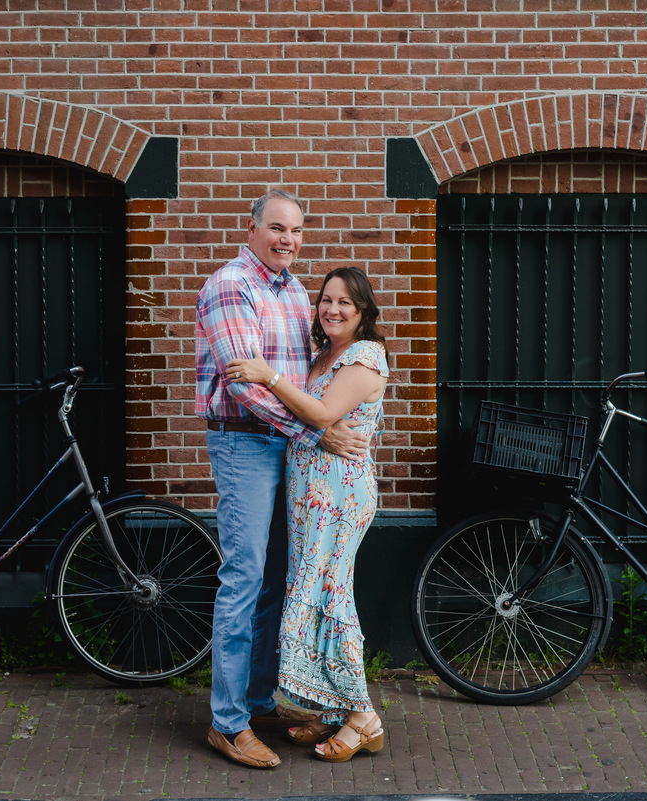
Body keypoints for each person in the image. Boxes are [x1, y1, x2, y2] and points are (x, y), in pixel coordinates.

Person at [195, 190, 368, 770]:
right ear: (252, 230)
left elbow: (304, 376)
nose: (287, 241)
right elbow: (245, 385)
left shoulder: (294, 291)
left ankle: (258, 699)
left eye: (295, 232)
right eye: (276, 229)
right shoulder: (230, 286)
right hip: (245, 442)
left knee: (274, 578)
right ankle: (227, 723)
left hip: (285, 449)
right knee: (243, 578)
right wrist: (313, 432)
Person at [226, 265, 388, 763]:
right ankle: (332, 708)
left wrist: (266, 375)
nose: (332, 309)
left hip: (338, 498)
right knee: (313, 594)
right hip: (308, 499)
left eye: (345, 303)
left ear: (363, 314)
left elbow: (320, 416)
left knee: (332, 600)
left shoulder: (364, 357)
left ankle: (363, 718)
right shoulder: (324, 356)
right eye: (326, 300)